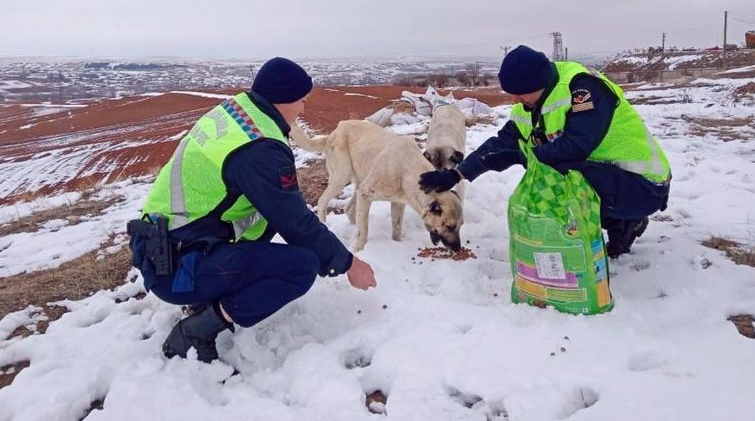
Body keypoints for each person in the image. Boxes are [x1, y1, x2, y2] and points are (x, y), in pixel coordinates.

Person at [129, 57, 376, 363]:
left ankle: (208, 295)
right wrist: (348, 263)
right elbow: (295, 222)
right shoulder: (260, 148)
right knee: (301, 267)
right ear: (283, 100)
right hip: (178, 269)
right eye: (300, 101)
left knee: (266, 214)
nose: (302, 109)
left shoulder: (238, 113)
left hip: (163, 247)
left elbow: (278, 211)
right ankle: (198, 328)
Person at [419, 45, 670, 257]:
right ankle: (617, 222)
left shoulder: (583, 89)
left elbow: (577, 146)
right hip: (609, 179)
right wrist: (456, 174)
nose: (516, 99)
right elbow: (501, 145)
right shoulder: (530, 106)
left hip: (644, 186)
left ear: (537, 82)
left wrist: (525, 156)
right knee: (549, 173)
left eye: (519, 92)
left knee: (559, 172)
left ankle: (625, 221)